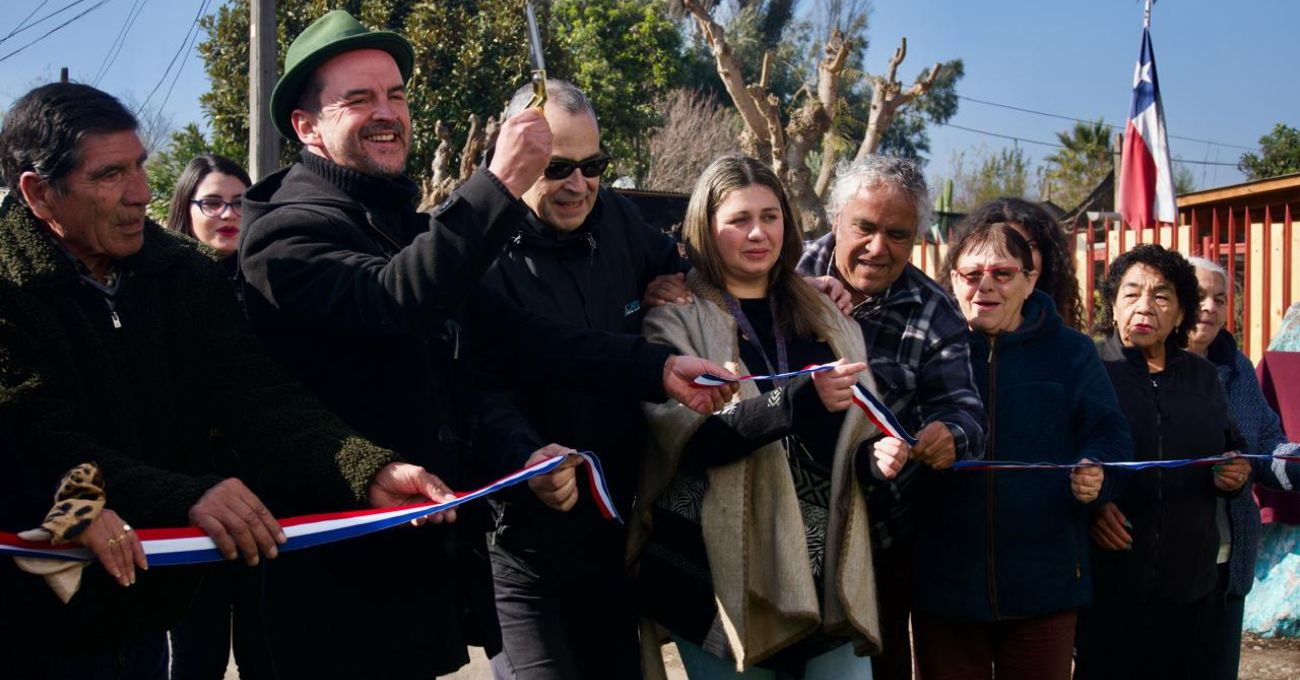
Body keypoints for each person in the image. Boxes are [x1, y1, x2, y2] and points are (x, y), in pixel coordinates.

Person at [237, 11, 731, 678]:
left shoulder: (396, 222)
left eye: (396, 95)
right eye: (359, 99)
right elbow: (397, 301)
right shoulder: (285, 233)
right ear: (306, 128)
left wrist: (660, 366)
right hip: (328, 596)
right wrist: (497, 184)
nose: (387, 114)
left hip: (416, 577)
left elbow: (519, 338)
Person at [0, 82, 456, 679]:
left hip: (135, 612)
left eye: (139, 166)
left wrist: (366, 467)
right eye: (109, 175)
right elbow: (29, 435)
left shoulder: (181, 275)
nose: (141, 194)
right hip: (23, 617)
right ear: (39, 194)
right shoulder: (9, 291)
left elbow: (254, 393)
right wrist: (181, 496)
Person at [632, 154, 910, 678]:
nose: (758, 233)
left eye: (770, 216)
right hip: (718, 576)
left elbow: (854, 437)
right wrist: (800, 399)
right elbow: (690, 442)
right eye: (739, 220)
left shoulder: (828, 315)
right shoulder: (675, 316)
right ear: (705, 229)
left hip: (825, 573)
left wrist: (878, 459)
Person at [471, 80, 685, 679]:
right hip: (520, 549)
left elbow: (687, 266)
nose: (578, 185)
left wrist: (806, 281)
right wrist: (525, 458)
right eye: (557, 167)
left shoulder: (617, 216)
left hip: (613, 535)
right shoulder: (473, 247)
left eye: (593, 166)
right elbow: (474, 389)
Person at [910, 221, 1131, 680]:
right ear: (953, 280)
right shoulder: (927, 349)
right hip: (946, 590)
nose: (985, 286)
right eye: (971, 275)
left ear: (1031, 281)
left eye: (1003, 274)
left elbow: (1111, 434)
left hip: (1046, 588)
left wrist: (1098, 473)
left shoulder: (1070, 352)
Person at [796, 155, 986, 680]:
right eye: (865, 227)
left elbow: (965, 410)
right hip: (781, 528)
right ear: (836, 219)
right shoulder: (782, 280)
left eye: (898, 234)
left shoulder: (934, 310)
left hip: (878, 543)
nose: (879, 248)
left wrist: (952, 435)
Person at [1075, 244, 1250, 680]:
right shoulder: (1089, 368)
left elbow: (1234, 449)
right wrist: (1091, 509)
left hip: (1190, 584)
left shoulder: (1202, 376)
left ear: (1179, 313)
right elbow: (1061, 461)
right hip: (1107, 584)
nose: (1145, 307)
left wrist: (1235, 475)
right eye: (1131, 294)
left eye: (1162, 296)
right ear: (1112, 305)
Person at [162, 160, 269, 679]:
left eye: (240, 202)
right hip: (190, 503)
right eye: (212, 202)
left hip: (268, 501)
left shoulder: (271, 280)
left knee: (264, 650)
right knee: (196, 655)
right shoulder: (156, 287)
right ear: (185, 210)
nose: (228, 214)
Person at [1184, 256, 1300, 679]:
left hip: (1226, 560)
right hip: (1158, 568)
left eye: (1220, 298)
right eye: (1199, 295)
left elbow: (1268, 447)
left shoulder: (1236, 368)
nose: (1211, 307)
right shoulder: (1133, 369)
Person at [938, 197, 1086, 330]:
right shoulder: (944, 339)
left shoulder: (1073, 351)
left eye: (1028, 247)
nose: (1017, 257)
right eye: (1003, 246)